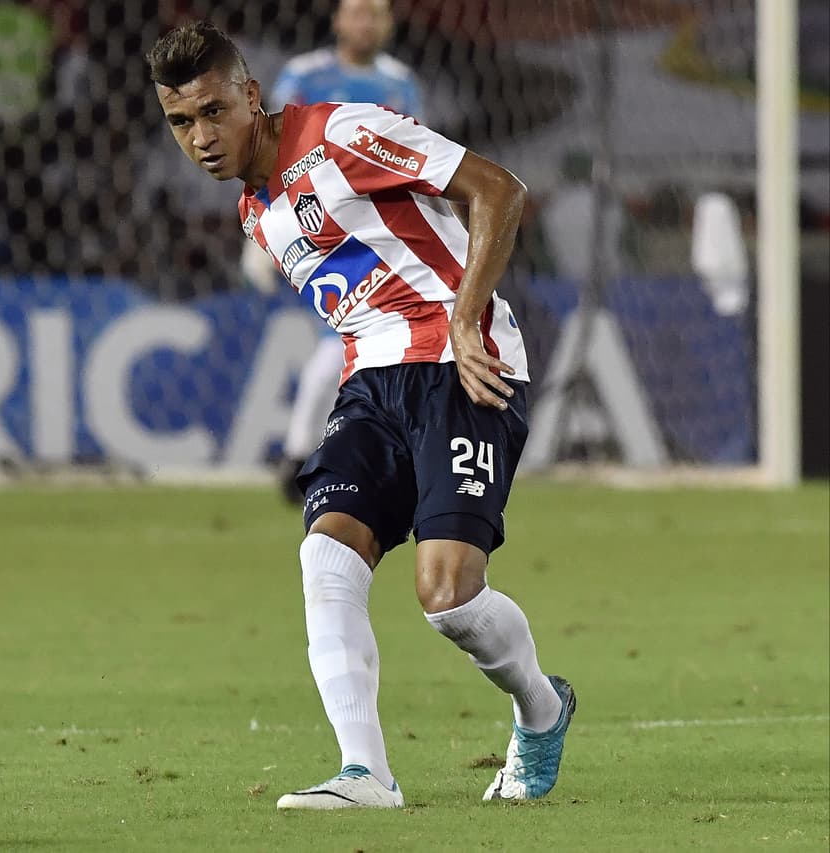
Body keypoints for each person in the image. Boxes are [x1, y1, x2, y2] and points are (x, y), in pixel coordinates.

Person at [146, 21, 575, 809]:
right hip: (372, 384)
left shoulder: (344, 132)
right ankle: (365, 771)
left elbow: (500, 190)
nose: (201, 137)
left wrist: (464, 314)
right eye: (181, 122)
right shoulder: (255, 210)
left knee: (449, 599)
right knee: (326, 557)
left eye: (214, 112)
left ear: (251, 96)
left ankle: (541, 710)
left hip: (461, 366)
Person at [253, 0, 428, 503]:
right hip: (311, 229)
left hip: (377, 233)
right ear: (337, 21)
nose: (366, 23)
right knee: (346, 343)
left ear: (389, 24)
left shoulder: (401, 83)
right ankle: (314, 451)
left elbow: (416, 154)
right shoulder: (303, 76)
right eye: (357, 12)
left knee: (347, 343)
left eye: (376, 13)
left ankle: (303, 453)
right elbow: (267, 144)